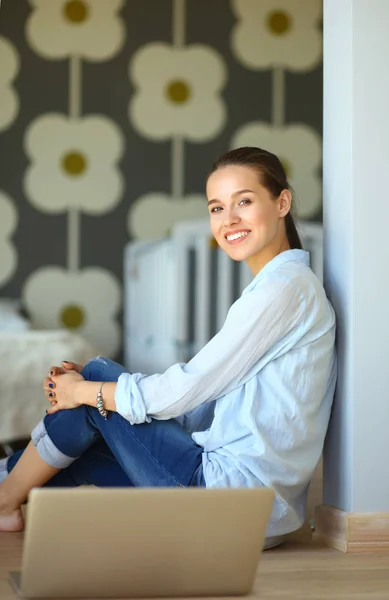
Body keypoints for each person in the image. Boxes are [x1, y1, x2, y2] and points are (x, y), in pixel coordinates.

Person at [0, 147, 336, 549]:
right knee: (90, 433)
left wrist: (84, 390)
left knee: (98, 377)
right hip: (253, 514)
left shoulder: (283, 291)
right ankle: (5, 489)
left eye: (244, 202)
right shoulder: (281, 289)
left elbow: (185, 391)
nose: (228, 220)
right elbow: (199, 407)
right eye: (216, 208)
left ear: (282, 202)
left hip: (228, 502)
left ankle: (4, 496)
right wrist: (91, 398)